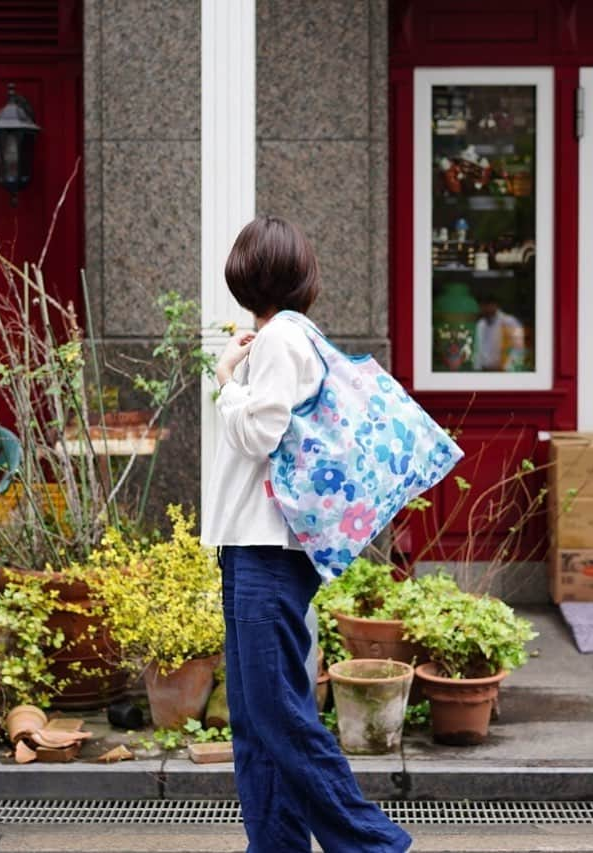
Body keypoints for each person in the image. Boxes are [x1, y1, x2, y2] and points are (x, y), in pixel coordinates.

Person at [201, 215, 412, 853]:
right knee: (256, 719)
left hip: (268, 550)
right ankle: (276, 846)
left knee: (278, 714)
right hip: (250, 547)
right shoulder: (291, 336)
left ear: (245, 275)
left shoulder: (281, 342)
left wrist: (225, 382)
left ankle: (374, 845)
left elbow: (259, 433)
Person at [473, 292, 525, 371]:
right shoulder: (480, 324)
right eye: (482, 306)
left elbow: (519, 349)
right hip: (483, 371)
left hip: (504, 372)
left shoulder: (511, 322)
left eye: (487, 305)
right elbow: (477, 350)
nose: (484, 308)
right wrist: (477, 369)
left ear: (495, 305)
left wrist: (508, 369)